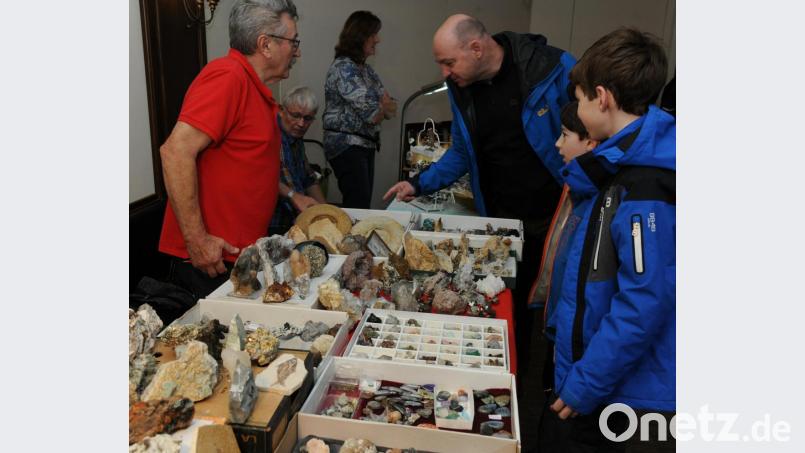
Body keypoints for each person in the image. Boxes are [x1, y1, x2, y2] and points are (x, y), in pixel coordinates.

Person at [383, 14, 576, 376]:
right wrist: (419, 183)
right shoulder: (461, 87)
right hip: (499, 220)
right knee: (507, 307)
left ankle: (554, 389)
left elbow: (590, 129)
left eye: (448, 62)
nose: (444, 73)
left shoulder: (551, 67)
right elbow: (461, 152)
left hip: (554, 217)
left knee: (557, 306)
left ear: (476, 48)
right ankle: (510, 381)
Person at [539, 27, 676, 452]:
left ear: (602, 97)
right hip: (606, 380)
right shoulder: (621, 168)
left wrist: (584, 383)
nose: (577, 109)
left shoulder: (647, 185)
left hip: (631, 396)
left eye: (579, 98)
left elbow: (643, 303)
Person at [158, 0, 300, 299]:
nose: (297, 51)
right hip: (211, 263)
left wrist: (291, 194)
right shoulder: (228, 77)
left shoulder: (252, 86)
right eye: (293, 42)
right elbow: (175, 151)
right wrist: (197, 240)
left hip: (239, 259)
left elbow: (246, 165)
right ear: (265, 45)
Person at [323, 10, 397, 208]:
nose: (378, 40)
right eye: (374, 34)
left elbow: (391, 109)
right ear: (360, 36)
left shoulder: (366, 70)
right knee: (358, 205)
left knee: (362, 204)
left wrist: (382, 107)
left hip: (364, 145)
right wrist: (381, 105)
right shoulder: (344, 68)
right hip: (347, 145)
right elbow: (373, 115)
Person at [269, 86, 327, 235]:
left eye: (307, 118)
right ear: (282, 110)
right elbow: (267, 178)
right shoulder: (271, 135)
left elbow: (308, 178)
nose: (301, 123)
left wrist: (326, 211)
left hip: (294, 218)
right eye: (295, 115)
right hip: (274, 223)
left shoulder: (295, 137)